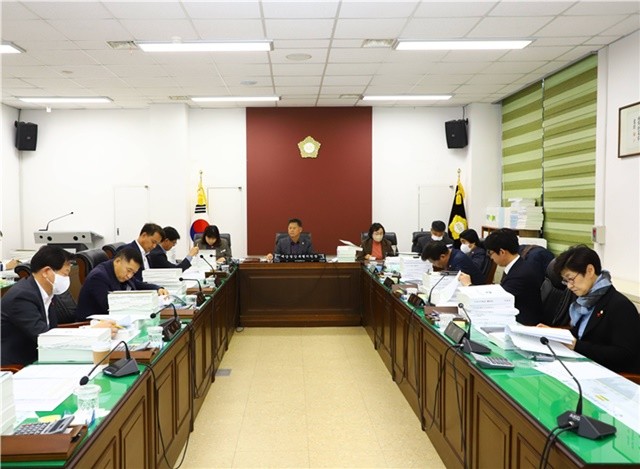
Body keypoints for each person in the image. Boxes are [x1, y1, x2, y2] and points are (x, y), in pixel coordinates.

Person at [552, 245, 640, 374]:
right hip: (584, 367)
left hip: (609, 375)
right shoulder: (584, 301)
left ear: (590, 270)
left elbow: (625, 355)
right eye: (566, 281)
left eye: (571, 279)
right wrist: (552, 334)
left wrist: (577, 346)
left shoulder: (619, 306)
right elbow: (580, 335)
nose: (569, 286)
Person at [1, 246, 73, 366]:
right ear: (46, 272)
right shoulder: (22, 297)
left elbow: (52, 332)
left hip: (41, 356)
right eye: (65, 274)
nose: (67, 279)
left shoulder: (48, 292)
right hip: (16, 366)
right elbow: (43, 337)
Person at [461, 228, 543, 325]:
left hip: (523, 324)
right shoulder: (518, 266)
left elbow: (497, 300)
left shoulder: (520, 274)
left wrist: (469, 286)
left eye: (490, 253)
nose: (490, 257)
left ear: (502, 252)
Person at [76, 247, 168, 321]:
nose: (129, 275)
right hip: (93, 325)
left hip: (115, 320)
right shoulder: (98, 277)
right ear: (117, 261)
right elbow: (110, 306)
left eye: (133, 273)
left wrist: (157, 289)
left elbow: (138, 284)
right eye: (129, 270)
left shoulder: (121, 273)